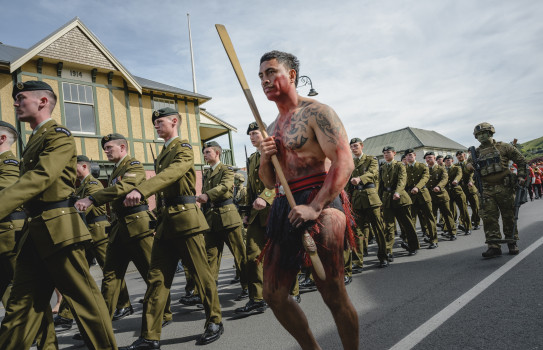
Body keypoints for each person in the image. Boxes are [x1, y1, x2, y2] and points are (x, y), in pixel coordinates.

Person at [0, 81, 117, 349]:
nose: (15, 103)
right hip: (35, 231)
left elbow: (40, 177)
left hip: (59, 229)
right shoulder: (35, 140)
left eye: (21, 98)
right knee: (21, 307)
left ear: (42, 102)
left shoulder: (58, 135)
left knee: (85, 303)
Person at [258, 50, 358, 349]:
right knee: (273, 295)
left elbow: (344, 162)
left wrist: (315, 206)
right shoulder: (272, 127)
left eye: (271, 72)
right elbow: (269, 182)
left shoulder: (317, 112)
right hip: (285, 206)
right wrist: (265, 157)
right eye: (261, 76)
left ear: (291, 75)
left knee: (332, 292)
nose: (265, 80)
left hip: (321, 201)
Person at [118, 108, 223, 348]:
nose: (156, 125)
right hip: (166, 223)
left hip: (186, 221)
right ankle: (149, 336)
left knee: (201, 273)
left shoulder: (183, 148)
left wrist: (141, 190)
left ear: (174, 121)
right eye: (154, 122)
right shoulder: (165, 151)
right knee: (157, 279)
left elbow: (172, 174)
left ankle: (215, 320)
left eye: (160, 121)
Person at [75, 133, 172, 326]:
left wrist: (93, 198)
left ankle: (164, 313)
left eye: (109, 147)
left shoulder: (133, 165)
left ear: (123, 147)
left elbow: (124, 187)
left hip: (137, 226)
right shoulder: (115, 171)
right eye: (105, 148)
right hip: (119, 228)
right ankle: (102, 323)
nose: (106, 151)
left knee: (150, 273)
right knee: (111, 276)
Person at [54, 155, 133, 334]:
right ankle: (66, 315)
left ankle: (124, 303)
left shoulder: (93, 185)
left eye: (73, 167)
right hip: (86, 233)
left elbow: (83, 208)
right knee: (76, 273)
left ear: (84, 166)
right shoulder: (80, 186)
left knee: (111, 270)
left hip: (98, 233)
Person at [467, 122, 527, 257]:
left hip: (504, 186)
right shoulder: (475, 152)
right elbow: (468, 165)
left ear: (490, 133)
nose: (481, 137)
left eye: (484, 133)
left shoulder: (504, 147)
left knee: (509, 215)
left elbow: (521, 160)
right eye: (479, 135)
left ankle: (512, 241)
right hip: (486, 189)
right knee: (489, 217)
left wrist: (521, 176)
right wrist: (469, 166)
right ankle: (493, 246)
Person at [198, 141, 248, 301]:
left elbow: (225, 186)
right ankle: (210, 295)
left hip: (228, 217)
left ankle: (249, 288)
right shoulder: (206, 173)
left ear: (217, 153)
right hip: (212, 220)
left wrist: (208, 195)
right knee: (210, 257)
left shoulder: (226, 169)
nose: (205, 155)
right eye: (204, 152)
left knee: (239, 254)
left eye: (208, 152)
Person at [235, 122, 276, 314]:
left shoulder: (275, 151)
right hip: (256, 214)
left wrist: (267, 197)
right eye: (249, 134)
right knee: (252, 255)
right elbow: (251, 189)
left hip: (275, 210)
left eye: (255, 133)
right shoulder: (252, 158)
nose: (252, 137)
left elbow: (283, 180)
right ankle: (258, 298)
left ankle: (292, 291)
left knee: (280, 252)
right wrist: (246, 213)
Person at [345, 137, 388, 268]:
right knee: (356, 231)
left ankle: (383, 257)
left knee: (378, 228)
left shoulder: (371, 159)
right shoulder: (350, 163)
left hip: (371, 198)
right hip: (357, 200)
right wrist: (346, 197)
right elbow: (347, 181)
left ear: (362, 146)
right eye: (351, 146)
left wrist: (360, 178)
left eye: (356, 146)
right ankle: (358, 262)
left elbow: (373, 173)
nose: (353, 148)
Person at [0, 121, 26, 307]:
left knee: (23, 288)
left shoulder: (9, 163)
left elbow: (7, 193)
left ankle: (39, 335)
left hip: (9, 231)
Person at [380, 146, 419, 256]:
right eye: (384, 153)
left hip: (400, 198)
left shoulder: (400, 165)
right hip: (387, 199)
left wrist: (397, 192)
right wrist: (379, 200)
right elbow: (380, 185)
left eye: (388, 152)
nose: (386, 154)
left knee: (407, 224)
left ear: (394, 153)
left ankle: (413, 246)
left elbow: (402, 180)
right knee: (388, 226)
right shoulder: (382, 167)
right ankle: (388, 251)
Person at [404, 149, 438, 249]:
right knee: (411, 220)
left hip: (423, 195)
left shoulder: (422, 166)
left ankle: (433, 240)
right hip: (411, 197)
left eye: (410, 155)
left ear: (414, 156)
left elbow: (425, 178)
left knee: (429, 218)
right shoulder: (404, 168)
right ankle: (413, 244)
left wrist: (417, 187)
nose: (409, 157)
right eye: (407, 156)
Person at [424, 152, 458, 241]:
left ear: (434, 158)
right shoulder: (425, 169)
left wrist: (439, 186)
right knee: (432, 217)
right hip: (430, 197)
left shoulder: (441, 168)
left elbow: (445, 179)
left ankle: (452, 232)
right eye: (427, 158)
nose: (428, 159)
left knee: (447, 215)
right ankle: (430, 235)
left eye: (430, 157)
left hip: (442, 195)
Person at [443, 155, 472, 235]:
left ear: (452, 161)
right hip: (448, 193)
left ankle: (467, 227)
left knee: (463, 210)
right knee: (450, 212)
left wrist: (456, 180)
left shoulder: (457, 168)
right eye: (446, 161)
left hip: (457, 191)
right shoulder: (443, 170)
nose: (447, 162)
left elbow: (459, 175)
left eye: (449, 160)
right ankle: (451, 230)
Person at [455, 151, 480, 229]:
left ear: (464, 155)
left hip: (471, 188)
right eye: (457, 155)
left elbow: (473, 174)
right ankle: (462, 223)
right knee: (462, 207)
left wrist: (471, 181)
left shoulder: (469, 164)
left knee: (475, 207)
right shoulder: (455, 166)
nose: (459, 156)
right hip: (461, 190)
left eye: (460, 155)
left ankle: (476, 222)